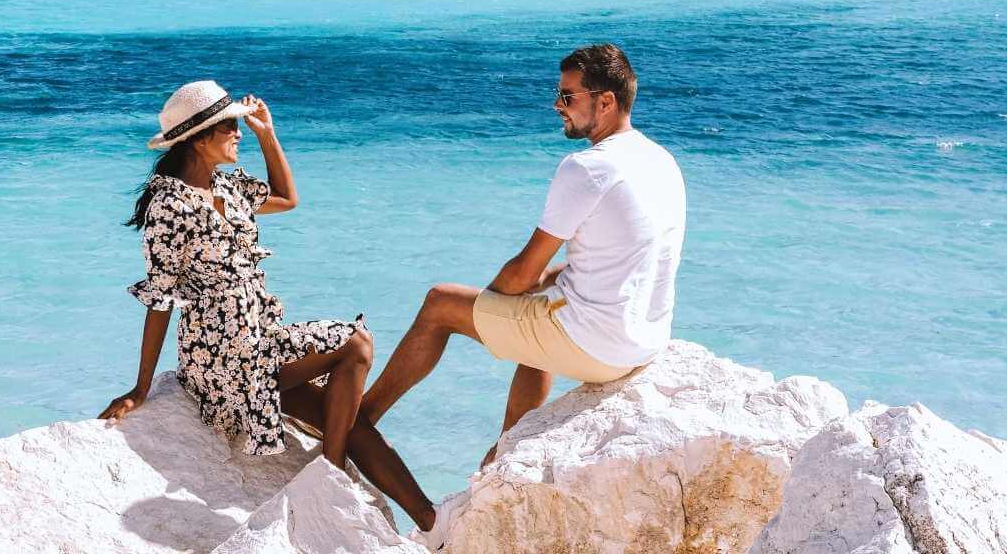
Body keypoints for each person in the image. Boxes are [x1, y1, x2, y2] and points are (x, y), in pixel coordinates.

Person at [99, 80, 459, 548]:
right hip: (223, 360)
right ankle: (328, 478)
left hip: (260, 343)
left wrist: (269, 134)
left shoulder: (225, 186)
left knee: (348, 422)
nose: (238, 134)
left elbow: (287, 199)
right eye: (230, 127)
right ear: (198, 138)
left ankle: (432, 525)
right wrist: (141, 387)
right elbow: (160, 297)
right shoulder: (170, 205)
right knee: (354, 344)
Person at [360, 44, 686, 471]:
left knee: (441, 303)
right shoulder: (661, 161)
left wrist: (493, 301)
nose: (557, 105)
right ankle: (506, 451)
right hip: (644, 342)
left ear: (605, 101)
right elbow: (626, 256)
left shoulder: (586, 167)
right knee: (533, 316)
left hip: (597, 346)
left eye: (569, 97)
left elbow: (522, 270)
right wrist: (543, 282)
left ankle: (359, 421)